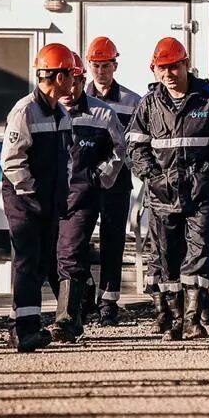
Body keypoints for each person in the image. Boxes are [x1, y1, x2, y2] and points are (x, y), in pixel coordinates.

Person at [126, 37, 209, 341]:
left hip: (201, 193)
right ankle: (175, 319)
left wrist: (204, 171)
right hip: (162, 196)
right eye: (162, 69)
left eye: (174, 66)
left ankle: (193, 319)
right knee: (167, 258)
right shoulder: (148, 105)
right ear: (155, 71)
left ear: (186, 64)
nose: (169, 74)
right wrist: (153, 176)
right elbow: (135, 147)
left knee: (200, 253)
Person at [0, 43, 76, 352]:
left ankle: (24, 326)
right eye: (71, 74)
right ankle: (25, 330)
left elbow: (67, 157)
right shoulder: (25, 110)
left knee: (42, 262)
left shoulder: (60, 112)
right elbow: (11, 160)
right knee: (28, 261)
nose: (74, 80)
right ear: (58, 77)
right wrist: (30, 193)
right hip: (24, 199)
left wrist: (61, 192)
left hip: (47, 200)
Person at [52, 52, 125, 343]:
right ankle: (78, 307)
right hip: (47, 198)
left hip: (82, 197)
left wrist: (100, 177)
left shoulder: (102, 114)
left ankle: (66, 320)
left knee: (70, 252)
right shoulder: (43, 111)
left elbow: (119, 151)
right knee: (50, 256)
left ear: (82, 80)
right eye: (67, 81)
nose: (70, 88)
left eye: (76, 81)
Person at [83, 36, 143, 325]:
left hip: (117, 181)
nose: (100, 71)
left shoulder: (132, 102)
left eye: (105, 65)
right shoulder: (78, 98)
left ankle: (109, 302)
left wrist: (110, 170)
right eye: (95, 65)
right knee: (76, 239)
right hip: (83, 181)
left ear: (115, 65)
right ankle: (84, 294)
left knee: (113, 241)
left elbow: (131, 144)